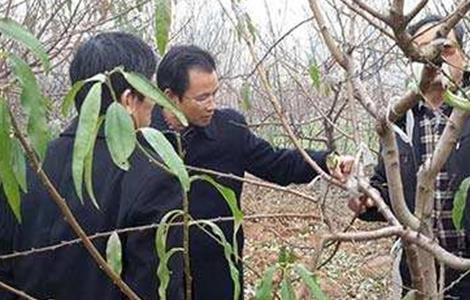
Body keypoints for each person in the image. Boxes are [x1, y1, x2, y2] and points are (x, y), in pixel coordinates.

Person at [152, 45, 355, 299]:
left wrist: (327, 161)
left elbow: (278, 163)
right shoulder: (142, 137)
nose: (212, 105)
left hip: (219, 271)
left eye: (215, 93)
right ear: (171, 96)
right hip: (158, 273)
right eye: (202, 97)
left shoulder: (229, 129)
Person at [0, 32, 183, 299]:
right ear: (129, 100)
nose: (154, 103)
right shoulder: (155, 179)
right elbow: (154, 289)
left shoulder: (23, 165)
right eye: (150, 90)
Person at [348, 15, 470, 298]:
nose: (434, 62)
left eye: (445, 50)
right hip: (417, 273)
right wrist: (363, 199)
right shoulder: (398, 121)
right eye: (422, 54)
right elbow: (385, 190)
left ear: (463, 55)